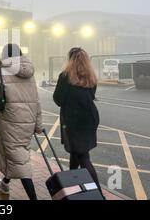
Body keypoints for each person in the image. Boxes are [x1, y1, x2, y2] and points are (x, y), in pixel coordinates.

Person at [0, 44, 43, 200]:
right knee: (14, 153)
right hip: (28, 122)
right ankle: (5, 182)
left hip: (11, 122)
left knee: (20, 161)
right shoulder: (29, 74)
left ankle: (33, 198)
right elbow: (36, 100)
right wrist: (38, 125)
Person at [53, 47, 104, 197]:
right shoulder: (91, 76)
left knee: (83, 157)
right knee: (76, 154)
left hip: (74, 120)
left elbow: (58, 99)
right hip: (90, 118)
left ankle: (99, 195)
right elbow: (91, 95)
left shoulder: (65, 76)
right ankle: (73, 190)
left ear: (70, 60)